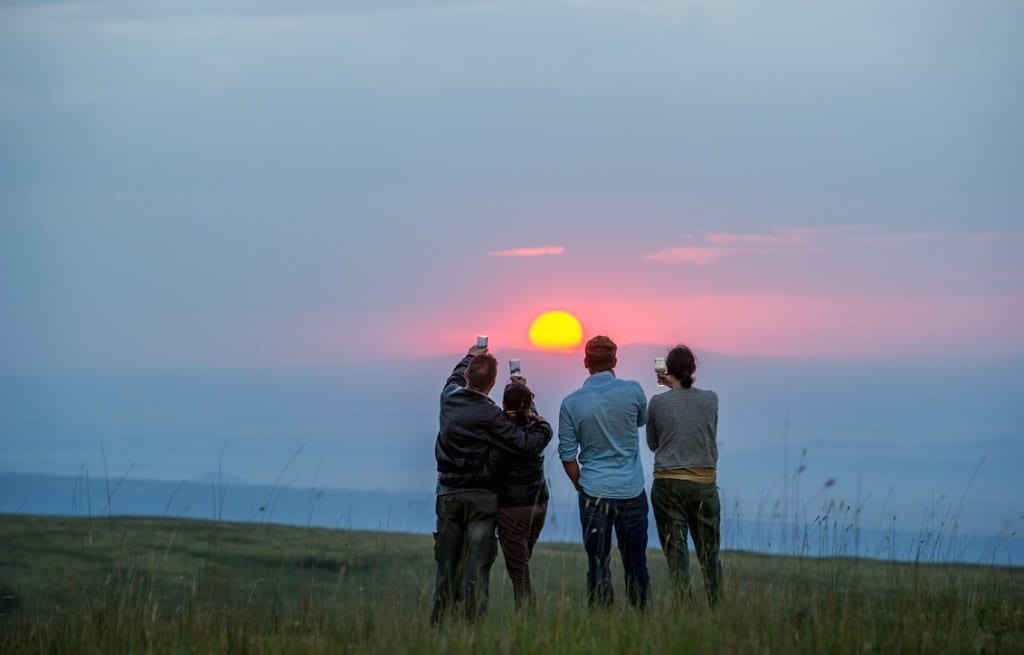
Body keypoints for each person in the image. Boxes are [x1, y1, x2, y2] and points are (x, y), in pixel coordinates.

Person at [432, 344, 552, 624]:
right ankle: (473, 626)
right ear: (493, 384)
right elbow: (525, 444)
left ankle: (438, 625)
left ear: (467, 376)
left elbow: (454, 377)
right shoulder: (492, 415)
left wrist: (470, 355)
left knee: (446, 564)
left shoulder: (448, 397)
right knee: (478, 565)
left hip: (448, 493)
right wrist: (539, 418)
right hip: (483, 498)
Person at [558, 335, 651, 609]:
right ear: (615, 362)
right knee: (636, 563)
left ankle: (601, 622)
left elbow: (567, 456)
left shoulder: (571, 403)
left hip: (593, 490)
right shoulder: (634, 391)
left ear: (586, 363)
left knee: (597, 565)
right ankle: (641, 620)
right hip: (631, 490)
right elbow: (642, 421)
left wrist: (581, 485)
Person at [646, 344, 722, 606]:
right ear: (694, 368)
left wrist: (670, 389)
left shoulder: (657, 403)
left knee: (676, 554)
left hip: (668, 483)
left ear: (667, 369)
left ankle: (684, 609)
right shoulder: (711, 398)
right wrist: (675, 386)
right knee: (709, 553)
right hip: (704, 482)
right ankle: (716, 606)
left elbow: (654, 444)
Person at [496, 378, 549, 610]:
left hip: (512, 508)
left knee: (519, 572)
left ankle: (527, 622)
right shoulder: (540, 431)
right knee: (523, 561)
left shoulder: (500, 433)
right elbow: (533, 418)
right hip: (538, 504)